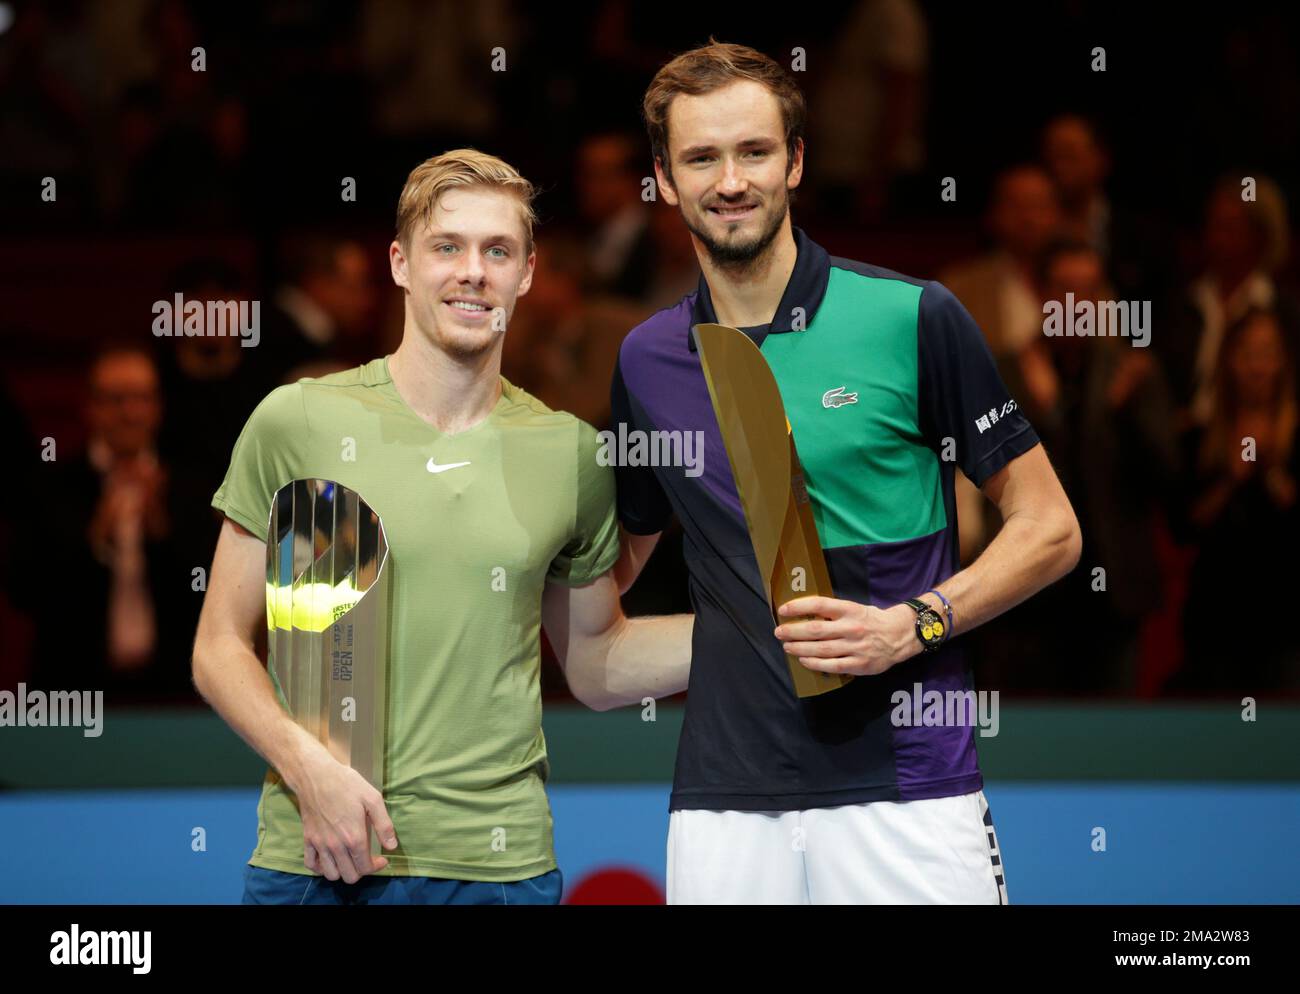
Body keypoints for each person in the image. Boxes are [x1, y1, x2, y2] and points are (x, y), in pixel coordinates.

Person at [612, 41, 1081, 904]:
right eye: (701, 158)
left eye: (753, 152)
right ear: (665, 180)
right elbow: (605, 587)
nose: (730, 181)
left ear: (795, 160)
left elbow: (1051, 529)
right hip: (726, 805)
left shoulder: (914, 316)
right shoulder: (647, 361)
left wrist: (916, 624)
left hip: (909, 788)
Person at [192, 149, 692, 906]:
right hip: (322, 854)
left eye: (498, 250)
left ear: (527, 272)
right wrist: (309, 769)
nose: (472, 272)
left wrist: (758, 634)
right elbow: (219, 646)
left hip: (500, 867)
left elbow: (595, 663)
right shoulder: (298, 419)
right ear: (399, 262)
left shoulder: (572, 453)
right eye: (447, 247)